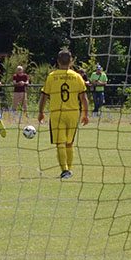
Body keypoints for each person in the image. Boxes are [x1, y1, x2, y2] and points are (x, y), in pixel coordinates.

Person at [38, 49, 89, 179]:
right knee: (69, 143)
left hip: (57, 113)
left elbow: (44, 97)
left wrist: (40, 112)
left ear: (58, 61)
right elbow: (84, 98)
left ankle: (65, 170)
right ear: (71, 61)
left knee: (60, 143)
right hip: (73, 113)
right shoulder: (77, 76)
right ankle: (69, 169)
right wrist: (85, 114)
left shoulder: (51, 76)